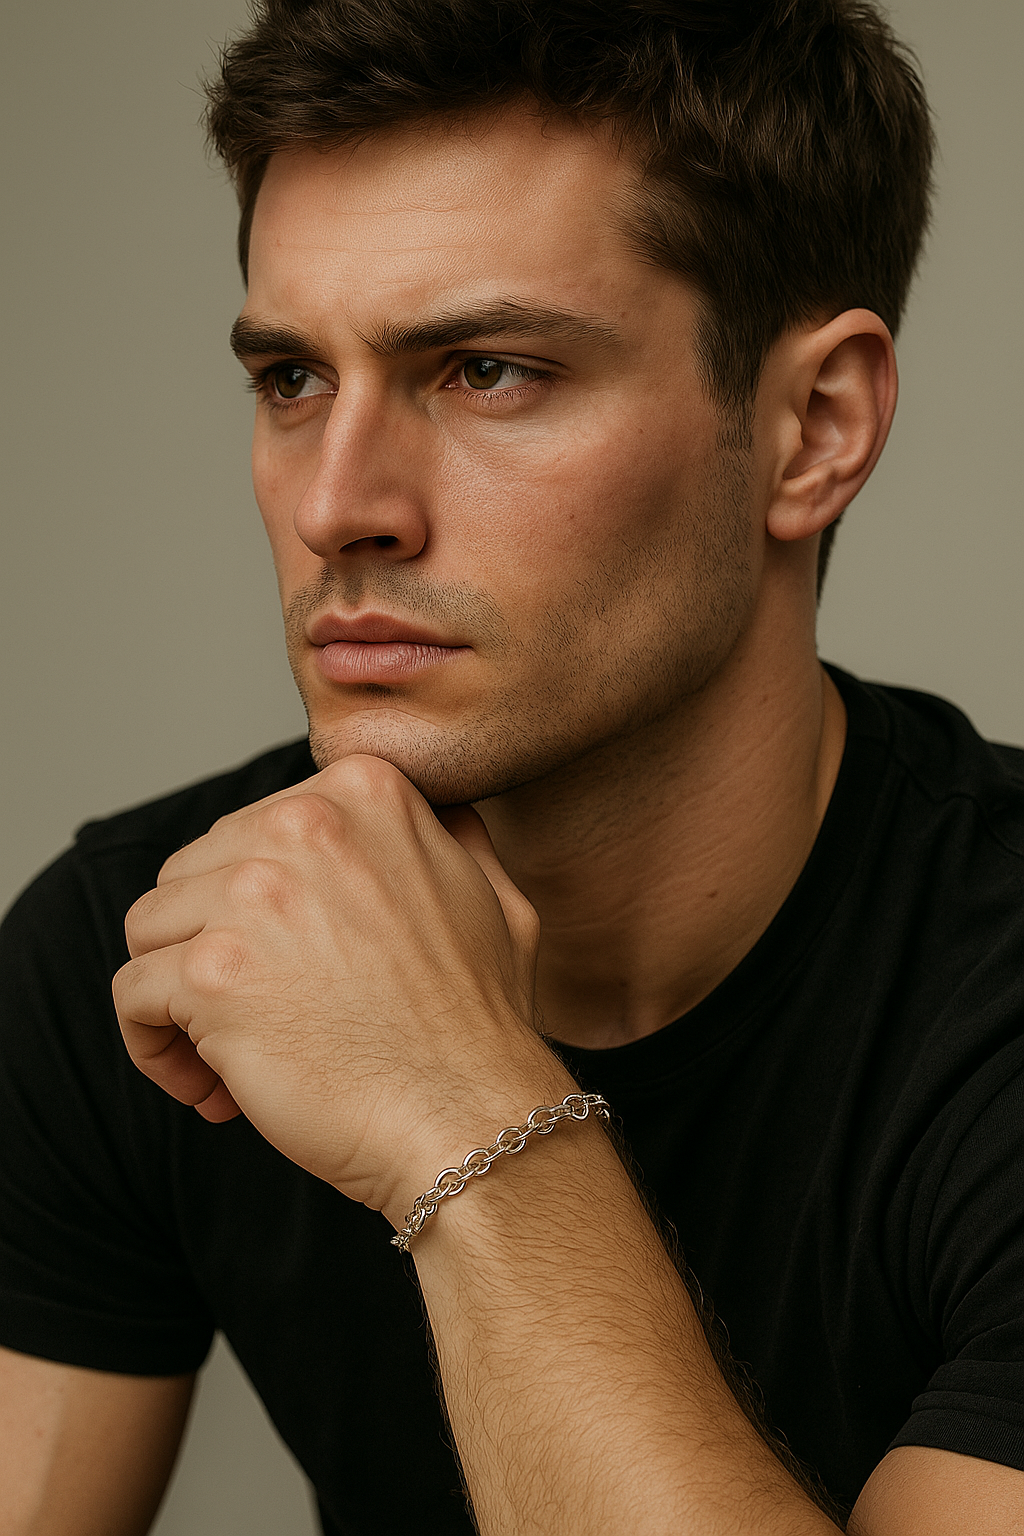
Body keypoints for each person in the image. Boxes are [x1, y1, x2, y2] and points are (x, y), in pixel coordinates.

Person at [1, 0, 1022, 1531]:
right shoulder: (162, 940)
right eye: (291, 380)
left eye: (488, 371)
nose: (337, 505)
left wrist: (465, 1122)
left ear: (814, 427)